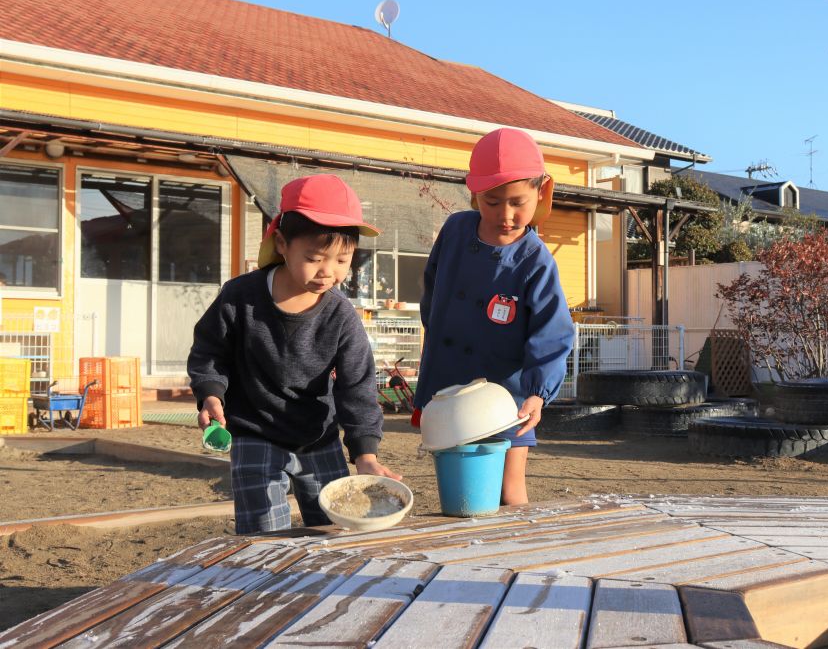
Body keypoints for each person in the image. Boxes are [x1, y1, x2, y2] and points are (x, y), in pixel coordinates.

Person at [188, 174, 400, 535]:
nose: (328, 272)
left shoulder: (340, 315)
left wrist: (365, 454)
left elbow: (358, 386)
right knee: (265, 539)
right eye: (315, 258)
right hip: (255, 432)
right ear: (282, 243)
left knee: (333, 532)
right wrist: (210, 393)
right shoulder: (241, 297)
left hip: (318, 437)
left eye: (342, 260)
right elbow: (210, 350)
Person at [413, 127, 575, 505]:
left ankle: (521, 552)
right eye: (492, 202)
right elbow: (432, 291)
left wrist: (538, 392)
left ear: (542, 191)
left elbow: (552, 332)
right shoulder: (455, 231)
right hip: (450, 385)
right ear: (474, 195)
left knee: (507, 486)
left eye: (518, 202)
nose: (506, 214)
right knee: (459, 488)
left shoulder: (536, 261)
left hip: (509, 396)